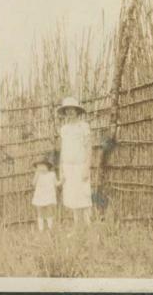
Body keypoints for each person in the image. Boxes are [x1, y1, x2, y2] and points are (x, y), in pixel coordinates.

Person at [57, 96, 93, 230]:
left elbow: (89, 148)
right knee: (72, 198)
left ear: (77, 111)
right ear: (65, 112)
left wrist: (86, 168)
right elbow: (63, 150)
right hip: (68, 167)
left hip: (80, 166)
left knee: (84, 196)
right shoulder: (64, 129)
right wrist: (61, 171)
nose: (70, 112)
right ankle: (78, 228)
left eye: (72, 110)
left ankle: (89, 227)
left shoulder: (84, 126)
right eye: (67, 110)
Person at [31, 155, 61, 232]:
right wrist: (37, 174)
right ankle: (41, 229)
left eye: (42, 166)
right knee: (40, 212)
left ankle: (50, 227)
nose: (40, 168)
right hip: (40, 196)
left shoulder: (52, 174)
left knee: (49, 212)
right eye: (38, 166)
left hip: (49, 196)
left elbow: (56, 184)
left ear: (47, 166)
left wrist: (62, 181)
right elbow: (33, 184)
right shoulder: (38, 175)